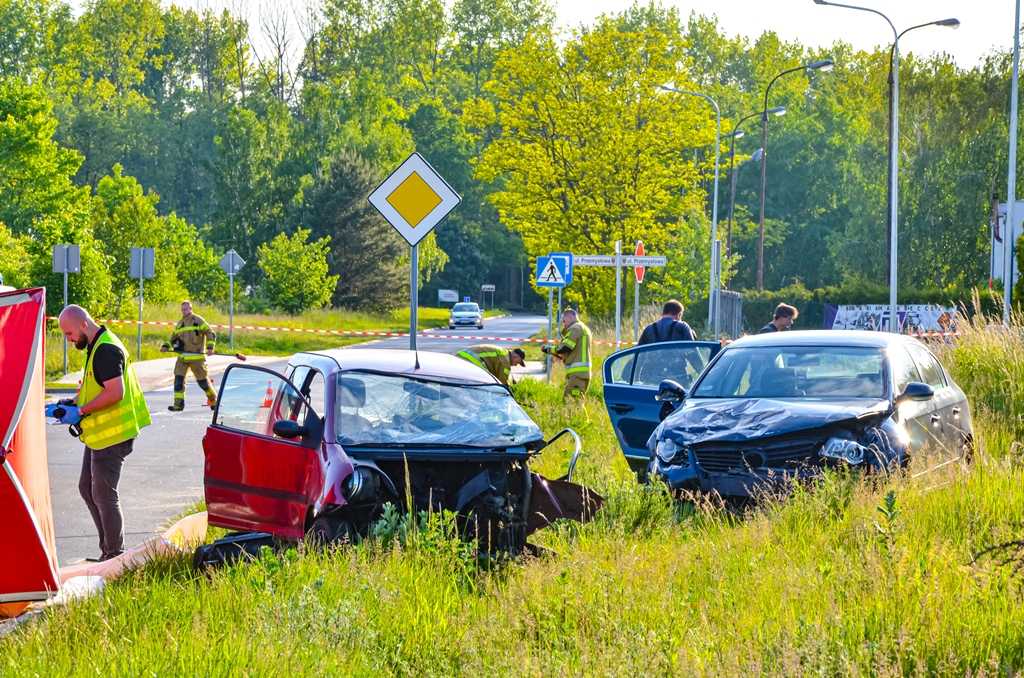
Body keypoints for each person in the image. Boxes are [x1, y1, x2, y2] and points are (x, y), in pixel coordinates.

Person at [53, 305, 151, 561]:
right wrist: (72, 403)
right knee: (87, 488)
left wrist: (82, 410)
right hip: (101, 434)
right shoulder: (97, 345)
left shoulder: (105, 349)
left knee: (103, 494)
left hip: (114, 435)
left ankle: (114, 556)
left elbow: (114, 392)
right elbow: (96, 386)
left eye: (69, 333)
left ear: (83, 324)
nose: (68, 339)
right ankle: (108, 551)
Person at [162, 300, 218, 411]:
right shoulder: (180, 323)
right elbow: (173, 338)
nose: (184, 311)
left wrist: (210, 347)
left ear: (190, 309)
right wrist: (166, 346)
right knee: (178, 380)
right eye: (182, 309)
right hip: (182, 357)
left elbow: (210, 332)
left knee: (203, 383)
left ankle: (213, 401)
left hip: (197, 358)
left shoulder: (198, 320)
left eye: (186, 309)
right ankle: (178, 405)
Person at [543, 308, 592, 399]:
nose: (564, 324)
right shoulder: (584, 328)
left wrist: (549, 349)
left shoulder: (575, 328)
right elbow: (572, 350)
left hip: (577, 374)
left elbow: (566, 347)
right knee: (577, 401)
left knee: (570, 401)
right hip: (582, 374)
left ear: (570, 317)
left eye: (564, 321)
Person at [456, 345, 526, 386]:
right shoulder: (505, 361)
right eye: (518, 362)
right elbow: (502, 384)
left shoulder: (503, 353)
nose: (516, 365)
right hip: (470, 359)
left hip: (461, 355)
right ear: (515, 356)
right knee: (481, 382)